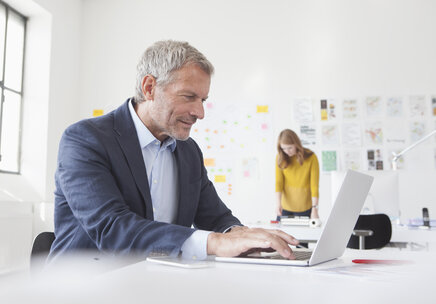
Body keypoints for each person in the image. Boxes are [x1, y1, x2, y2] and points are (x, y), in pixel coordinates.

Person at [48, 40, 299, 262]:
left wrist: (242, 236)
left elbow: (216, 217)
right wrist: (215, 243)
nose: (200, 113)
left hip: (156, 284)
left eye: (202, 100)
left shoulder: (188, 151)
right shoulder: (85, 140)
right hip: (84, 289)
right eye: (189, 97)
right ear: (149, 88)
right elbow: (113, 230)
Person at [275, 129, 320, 223]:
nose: (287, 151)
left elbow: (314, 186)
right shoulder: (280, 158)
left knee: (303, 236)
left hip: (305, 208)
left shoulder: (311, 157)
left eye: (290, 148)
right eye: (283, 148)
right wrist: (278, 204)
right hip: (285, 208)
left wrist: (314, 208)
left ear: (296, 144)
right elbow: (278, 183)